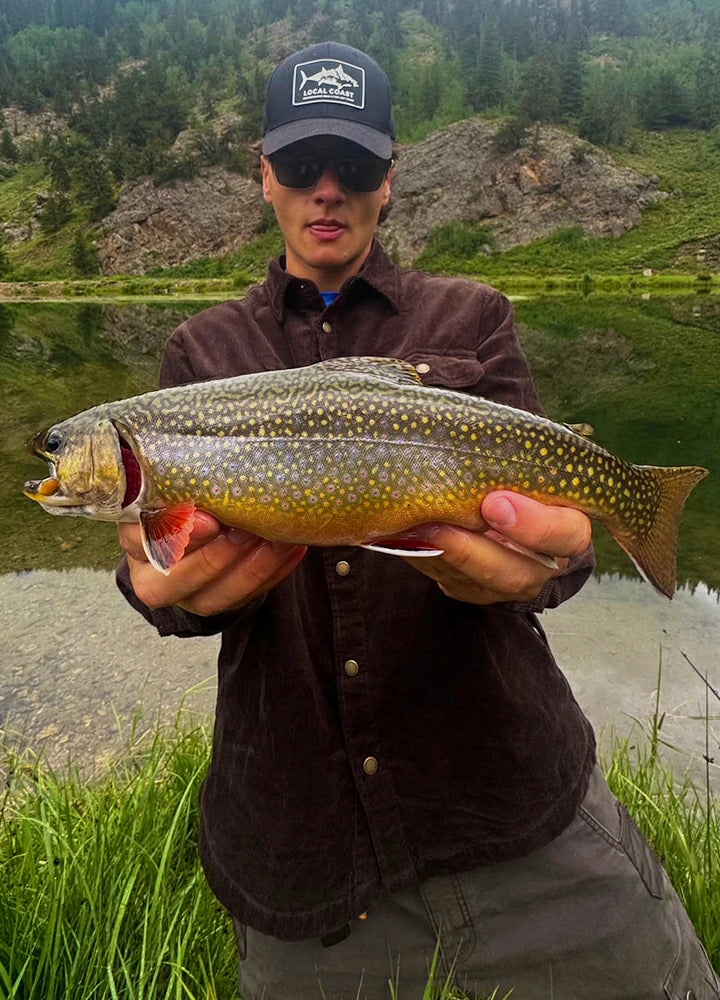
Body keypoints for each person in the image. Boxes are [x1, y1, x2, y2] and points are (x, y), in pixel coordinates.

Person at [116, 41, 719, 1000]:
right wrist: (166, 590)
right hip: (304, 852)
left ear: (389, 180)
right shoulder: (199, 354)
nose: (327, 189)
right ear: (263, 174)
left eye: (353, 166)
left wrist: (554, 563)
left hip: (512, 802)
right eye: (302, 163)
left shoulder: (473, 316)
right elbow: (171, 578)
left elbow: (555, 547)